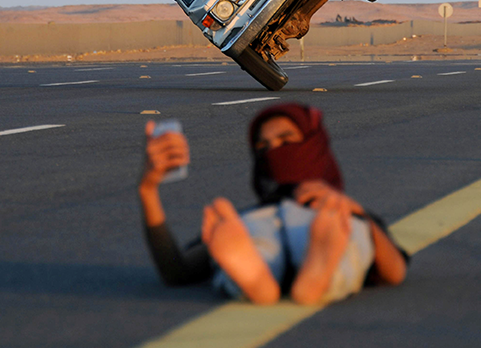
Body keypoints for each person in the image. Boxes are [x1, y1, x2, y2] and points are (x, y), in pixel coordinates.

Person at [139, 103, 408, 305]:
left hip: (320, 218)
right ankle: (288, 277)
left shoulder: (342, 210)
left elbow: (393, 271)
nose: (273, 152)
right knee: (340, 234)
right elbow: (178, 271)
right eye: (263, 146)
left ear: (313, 145)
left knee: (346, 228)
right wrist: (148, 189)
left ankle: (259, 280)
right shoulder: (250, 219)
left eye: (286, 140)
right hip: (277, 222)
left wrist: (357, 213)